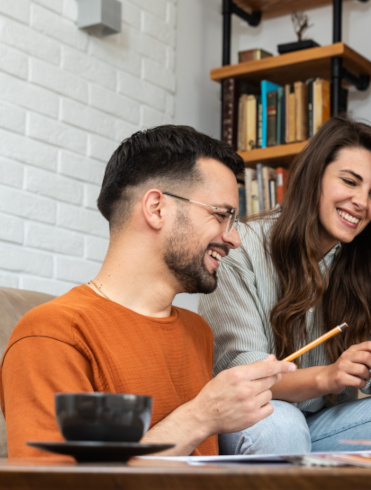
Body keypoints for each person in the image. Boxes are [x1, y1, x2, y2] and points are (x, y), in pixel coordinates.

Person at [0, 125, 296, 458]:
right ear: (156, 208)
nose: (234, 239)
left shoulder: (197, 332)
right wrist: (201, 416)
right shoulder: (51, 334)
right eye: (220, 215)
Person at [198, 114, 371, 455]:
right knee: (282, 422)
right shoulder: (239, 246)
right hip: (253, 417)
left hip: (320, 425)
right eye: (350, 181)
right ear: (314, 178)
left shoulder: (361, 263)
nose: (362, 203)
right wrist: (327, 377)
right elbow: (246, 375)